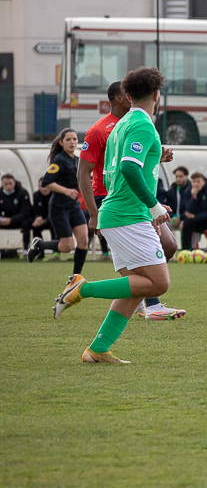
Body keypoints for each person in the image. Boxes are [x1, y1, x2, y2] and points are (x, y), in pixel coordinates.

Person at [52, 67, 174, 363]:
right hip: (127, 215)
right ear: (157, 95)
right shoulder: (143, 125)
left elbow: (125, 168)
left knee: (135, 289)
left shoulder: (121, 123)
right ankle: (82, 288)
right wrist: (153, 204)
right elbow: (129, 168)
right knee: (158, 284)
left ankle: (97, 350)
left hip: (120, 212)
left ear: (128, 96)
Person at [78, 81, 184, 321]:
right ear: (119, 98)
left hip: (131, 199)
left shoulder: (126, 124)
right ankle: (84, 289)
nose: (131, 100)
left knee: (156, 260)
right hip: (118, 201)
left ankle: (98, 350)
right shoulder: (104, 129)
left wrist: (155, 159)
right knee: (160, 262)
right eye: (127, 97)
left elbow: (132, 166)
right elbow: (90, 171)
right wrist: (93, 212)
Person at [26, 128, 89, 274]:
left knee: (84, 241)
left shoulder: (78, 160)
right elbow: (47, 181)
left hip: (74, 206)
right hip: (59, 208)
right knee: (67, 247)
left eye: (74, 139)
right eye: (68, 139)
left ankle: (75, 277)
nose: (72, 142)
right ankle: (39, 244)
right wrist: (66, 190)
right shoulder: (59, 160)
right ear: (61, 142)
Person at [180, 172, 207, 250]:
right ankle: (185, 250)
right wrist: (194, 197)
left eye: (198, 181)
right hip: (197, 221)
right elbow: (187, 211)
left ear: (203, 182)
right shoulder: (188, 192)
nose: (196, 184)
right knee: (187, 222)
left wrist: (196, 216)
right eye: (194, 182)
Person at [0, 174, 32, 258]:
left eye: (10, 183)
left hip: (18, 220)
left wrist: (11, 219)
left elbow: (26, 212)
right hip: (4, 221)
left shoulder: (22, 193)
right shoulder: (0, 194)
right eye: (5, 184)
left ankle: (26, 249)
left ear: (14, 182)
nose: (8, 186)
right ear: (2, 184)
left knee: (26, 223)